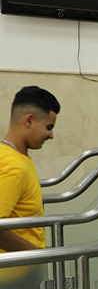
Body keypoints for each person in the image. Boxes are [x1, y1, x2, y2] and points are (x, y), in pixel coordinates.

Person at [0, 86, 60, 253]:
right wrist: (34, 253)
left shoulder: (10, 156)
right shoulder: (13, 165)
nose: (51, 135)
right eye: (49, 127)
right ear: (29, 121)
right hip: (18, 267)